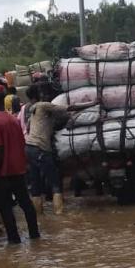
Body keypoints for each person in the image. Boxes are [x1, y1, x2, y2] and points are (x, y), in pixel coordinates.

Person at [25, 82, 92, 215]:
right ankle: (59, 214)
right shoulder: (44, 105)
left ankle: (39, 216)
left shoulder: (32, 110)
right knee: (55, 181)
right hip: (41, 148)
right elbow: (70, 108)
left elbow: (28, 129)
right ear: (40, 95)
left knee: (35, 183)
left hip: (29, 148)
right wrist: (92, 103)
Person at [0, 84, 39, 244]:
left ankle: (14, 241)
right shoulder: (12, 118)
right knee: (26, 204)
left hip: (2, 173)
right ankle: (35, 236)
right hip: (18, 170)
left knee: (5, 208)